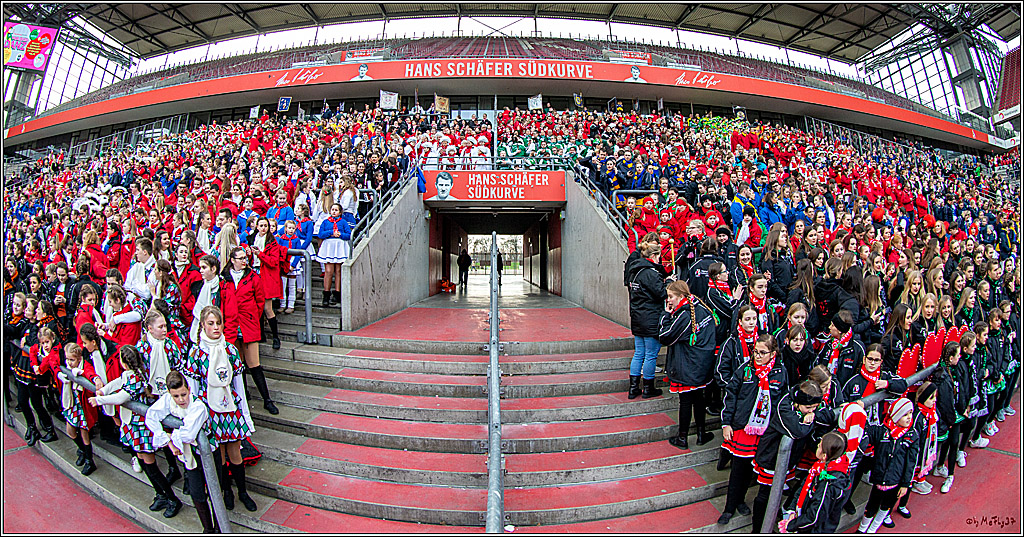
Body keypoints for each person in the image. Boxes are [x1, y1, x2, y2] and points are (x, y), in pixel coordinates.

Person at [90, 346, 183, 518]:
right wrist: (103, 390)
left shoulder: (135, 378)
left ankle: (172, 498)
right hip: (132, 425)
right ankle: (161, 494)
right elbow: (117, 382)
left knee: (151, 466)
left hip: (140, 427)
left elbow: (121, 397)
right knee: (144, 462)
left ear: (124, 362)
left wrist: (99, 399)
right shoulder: (131, 374)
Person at [181, 305, 258, 512]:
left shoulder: (231, 350)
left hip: (230, 407)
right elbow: (193, 389)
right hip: (209, 410)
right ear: (203, 326)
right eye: (211, 323)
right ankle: (226, 491)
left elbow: (239, 385)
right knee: (219, 455)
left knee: (235, 452)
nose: (216, 327)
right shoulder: (196, 353)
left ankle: (242, 491)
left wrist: (245, 414)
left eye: (219, 323)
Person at [146, 370, 220, 533]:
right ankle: (207, 529)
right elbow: (151, 416)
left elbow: (188, 434)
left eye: (183, 394)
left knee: (215, 490)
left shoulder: (198, 406)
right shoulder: (167, 400)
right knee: (196, 493)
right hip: (189, 456)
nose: (180, 400)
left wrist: (170, 436)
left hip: (208, 453)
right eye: (176, 396)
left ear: (189, 390)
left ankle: (219, 527)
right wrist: (167, 440)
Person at [659, 280, 718, 449]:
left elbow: (665, 336)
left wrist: (665, 316)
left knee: (685, 401)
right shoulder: (701, 308)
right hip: (701, 365)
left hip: (687, 365)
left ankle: (682, 437)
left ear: (682, 296)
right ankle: (701, 434)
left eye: (671, 296)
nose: (668, 300)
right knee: (699, 399)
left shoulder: (684, 316)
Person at [222, 246, 278, 415]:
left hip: (248, 324)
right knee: (238, 365)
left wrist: (253, 316)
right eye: (240, 258)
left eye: (245, 258)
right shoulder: (224, 279)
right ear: (233, 260)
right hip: (231, 325)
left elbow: (260, 300)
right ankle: (243, 395)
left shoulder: (253, 277)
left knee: (254, 364)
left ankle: (267, 399)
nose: (244, 261)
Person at [856, 397, 920, 534]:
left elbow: (911, 463)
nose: (909, 417)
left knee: (886, 507)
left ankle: (873, 529)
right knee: (871, 506)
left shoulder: (912, 436)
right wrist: (858, 410)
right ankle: (862, 529)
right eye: (905, 414)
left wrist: (905, 484)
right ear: (895, 415)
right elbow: (866, 428)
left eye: (910, 413)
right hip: (879, 478)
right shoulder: (882, 431)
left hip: (896, 481)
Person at [625, 242, 668, 399]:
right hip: (650, 316)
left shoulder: (634, 272)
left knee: (639, 353)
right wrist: (669, 282)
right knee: (650, 354)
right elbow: (661, 293)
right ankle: (648, 387)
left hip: (637, 317)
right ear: (654, 256)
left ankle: (633, 387)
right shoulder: (650, 273)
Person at [316, 203, 352, 307]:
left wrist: (340, 234)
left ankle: (337, 293)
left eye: (336, 210)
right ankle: (326, 294)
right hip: (329, 246)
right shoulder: (325, 222)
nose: (334, 211)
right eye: (332, 209)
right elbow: (320, 234)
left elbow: (348, 235)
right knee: (328, 271)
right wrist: (331, 233)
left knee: (338, 270)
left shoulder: (343, 222)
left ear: (340, 212)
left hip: (339, 246)